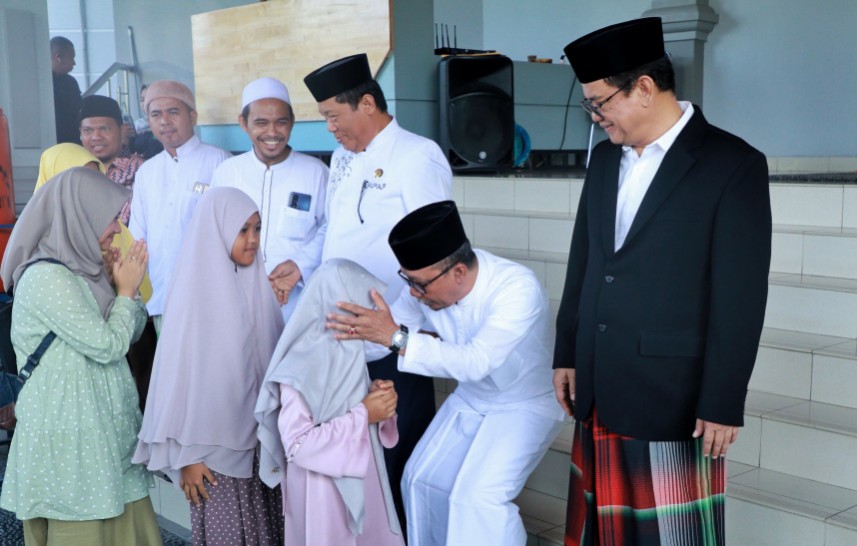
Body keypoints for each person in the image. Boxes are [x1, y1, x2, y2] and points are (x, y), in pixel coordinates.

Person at [553, 18, 772, 545]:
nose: (595, 116)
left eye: (600, 102)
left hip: (669, 393)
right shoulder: (605, 159)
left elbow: (740, 296)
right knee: (599, 533)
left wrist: (723, 399)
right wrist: (567, 349)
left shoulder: (732, 164)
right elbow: (583, 259)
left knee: (669, 536)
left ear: (645, 88)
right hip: (600, 378)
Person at [326, 200, 564, 545]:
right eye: (408, 281)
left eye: (420, 284)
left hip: (525, 403)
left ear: (458, 273)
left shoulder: (516, 287)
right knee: (417, 480)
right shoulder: (425, 291)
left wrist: (394, 336)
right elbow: (385, 338)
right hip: (473, 397)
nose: (413, 293)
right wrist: (342, 336)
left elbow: (475, 362)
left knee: (477, 500)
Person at [304, 53, 452, 527]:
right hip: (344, 336)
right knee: (359, 459)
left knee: (398, 454)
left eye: (332, 115)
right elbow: (336, 234)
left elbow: (438, 250)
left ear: (366, 103)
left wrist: (393, 325)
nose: (329, 128)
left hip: (393, 337)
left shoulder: (417, 154)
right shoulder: (344, 158)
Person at [0, 167, 160, 546]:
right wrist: (123, 292)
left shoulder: (83, 271)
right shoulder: (46, 278)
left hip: (103, 437)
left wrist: (127, 293)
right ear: (78, 216)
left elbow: (130, 333)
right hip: (71, 443)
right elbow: (107, 344)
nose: (114, 230)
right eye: (108, 219)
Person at [133, 187, 284, 546]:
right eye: (241, 230)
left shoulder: (260, 293)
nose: (252, 240)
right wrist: (187, 456)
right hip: (213, 462)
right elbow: (176, 382)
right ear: (215, 231)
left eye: (257, 229)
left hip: (263, 452)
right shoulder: (191, 299)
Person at [255, 259, 403, 546]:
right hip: (321, 494)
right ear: (340, 308)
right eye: (363, 310)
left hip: (363, 478)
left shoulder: (348, 350)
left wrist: (378, 400)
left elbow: (351, 406)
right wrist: (365, 413)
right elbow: (298, 445)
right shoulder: (300, 366)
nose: (371, 321)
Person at [211, 77, 328, 322]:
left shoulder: (316, 172)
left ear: (292, 123)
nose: (272, 132)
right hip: (238, 300)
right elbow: (213, 233)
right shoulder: (227, 172)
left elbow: (330, 228)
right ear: (243, 123)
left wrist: (300, 265)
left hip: (298, 303)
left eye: (281, 122)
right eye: (261, 123)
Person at [128, 80, 231, 335]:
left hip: (209, 297)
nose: (164, 120)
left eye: (173, 112)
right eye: (155, 114)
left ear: (192, 116)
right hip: (162, 296)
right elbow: (137, 235)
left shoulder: (220, 162)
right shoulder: (147, 172)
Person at [78, 95, 144, 225]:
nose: (96, 137)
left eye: (104, 129)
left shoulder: (142, 170)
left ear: (121, 130)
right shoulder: (74, 172)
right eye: (88, 130)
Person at [50, 36, 82, 144]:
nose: (74, 63)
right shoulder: (69, 83)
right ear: (58, 57)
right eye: (71, 58)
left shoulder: (38, 83)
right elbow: (78, 110)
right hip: (68, 140)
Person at [131, 84, 164, 160]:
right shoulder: (138, 125)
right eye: (142, 100)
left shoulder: (166, 123)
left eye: (148, 98)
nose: (144, 103)